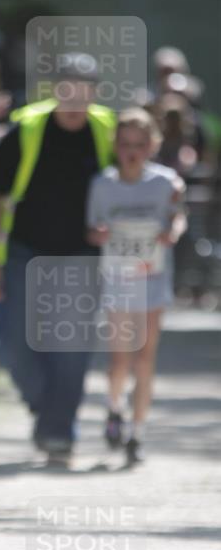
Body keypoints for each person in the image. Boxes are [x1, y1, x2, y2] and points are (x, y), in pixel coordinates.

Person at [0, 54, 116, 465]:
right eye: (67, 89)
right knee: (12, 347)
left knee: (71, 349)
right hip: (26, 253)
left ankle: (58, 431)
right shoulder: (26, 129)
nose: (74, 98)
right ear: (56, 90)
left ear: (94, 94)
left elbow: (130, 186)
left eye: (83, 90)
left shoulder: (108, 130)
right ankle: (48, 409)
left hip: (83, 257)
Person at [86, 108, 186, 465]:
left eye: (140, 145)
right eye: (126, 144)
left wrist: (171, 232)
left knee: (145, 358)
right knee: (120, 358)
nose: (132, 152)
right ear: (116, 146)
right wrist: (98, 235)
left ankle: (138, 433)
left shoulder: (166, 183)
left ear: (152, 146)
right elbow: (92, 228)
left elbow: (177, 216)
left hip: (153, 278)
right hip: (117, 279)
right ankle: (115, 408)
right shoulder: (103, 185)